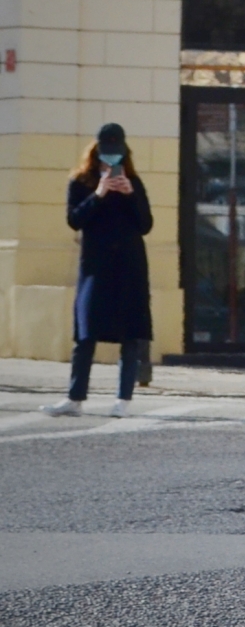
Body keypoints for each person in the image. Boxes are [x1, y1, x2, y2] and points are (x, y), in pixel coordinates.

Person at [43, 123, 152, 417]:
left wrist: (130, 195)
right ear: (96, 152)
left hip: (129, 266)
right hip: (96, 266)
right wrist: (99, 193)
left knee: (130, 334)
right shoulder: (79, 182)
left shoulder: (134, 183)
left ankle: (123, 400)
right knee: (86, 332)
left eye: (117, 155)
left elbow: (145, 225)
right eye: (106, 154)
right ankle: (75, 398)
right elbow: (75, 220)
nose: (111, 161)